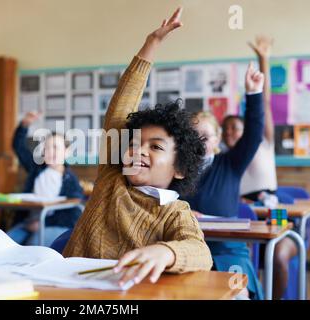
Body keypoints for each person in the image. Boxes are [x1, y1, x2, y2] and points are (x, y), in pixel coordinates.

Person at [63, 8, 212, 287]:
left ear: (179, 168)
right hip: (66, 288)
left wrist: (166, 251)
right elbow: (120, 111)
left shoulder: (174, 211)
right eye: (133, 144)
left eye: (155, 147)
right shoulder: (112, 178)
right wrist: (151, 44)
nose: (139, 151)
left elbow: (200, 252)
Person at [221, 36, 298, 300]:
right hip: (244, 218)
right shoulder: (225, 161)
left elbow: (263, 105)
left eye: (237, 127)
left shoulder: (261, 144)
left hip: (272, 212)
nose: (231, 132)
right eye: (226, 129)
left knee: (277, 256)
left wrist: (263, 59)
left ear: (249, 129)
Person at [185, 61, 266, 299]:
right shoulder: (177, 169)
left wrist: (253, 94)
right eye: (193, 136)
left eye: (206, 136)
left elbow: (254, 133)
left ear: (218, 138)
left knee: (235, 295)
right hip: (187, 250)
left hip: (226, 251)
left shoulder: (231, 163)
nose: (199, 142)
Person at [7, 111, 84, 246]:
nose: (50, 152)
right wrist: (24, 124)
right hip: (28, 224)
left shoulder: (70, 180)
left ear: (67, 152)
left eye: (55, 147)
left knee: (32, 245)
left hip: (54, 226)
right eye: (47, 148)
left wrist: (42, 223)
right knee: (5, 242)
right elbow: (18, 146)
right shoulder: (36, 169)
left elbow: (73, 215)